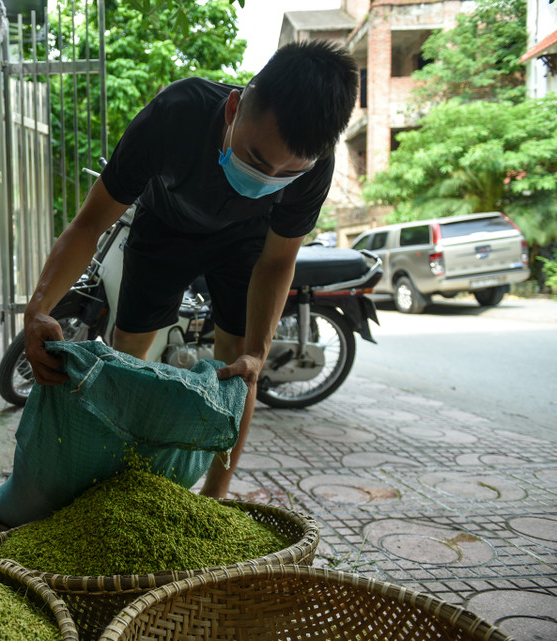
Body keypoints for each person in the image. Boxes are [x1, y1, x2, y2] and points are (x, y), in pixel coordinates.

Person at [22, 40, 359, 497]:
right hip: (164, 227)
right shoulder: (175, 114)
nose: (267, 180)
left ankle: (214, 499)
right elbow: (89, 223)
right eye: (257, 160)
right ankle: (118, 485)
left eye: (287, 175)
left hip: (246, 243)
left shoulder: (317, 166)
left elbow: (278, 259)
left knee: (240, 366)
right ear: (233, 109)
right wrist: (39, 307)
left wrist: (258, 353)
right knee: (128, 351)